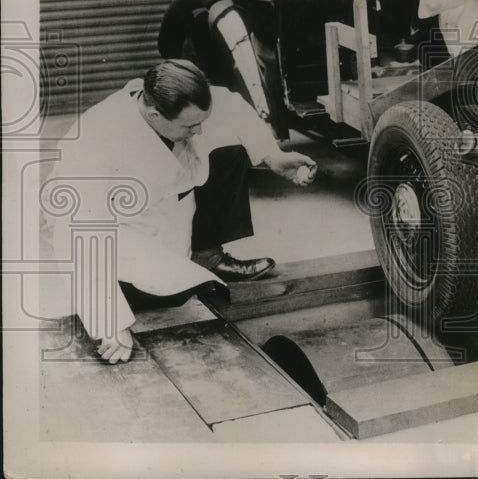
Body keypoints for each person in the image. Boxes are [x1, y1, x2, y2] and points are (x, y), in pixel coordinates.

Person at [40, 59, 317, 364]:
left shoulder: (177, 105)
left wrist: (272, 156)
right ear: (155, 114)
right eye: (189, 125)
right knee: (160, 295)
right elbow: (76, 232)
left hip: (166, 212)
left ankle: (207, 255)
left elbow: (231, 104)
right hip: (117, 242)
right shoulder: (95, 139)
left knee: (231, 151)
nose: (199, 130)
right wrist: (111, 325)